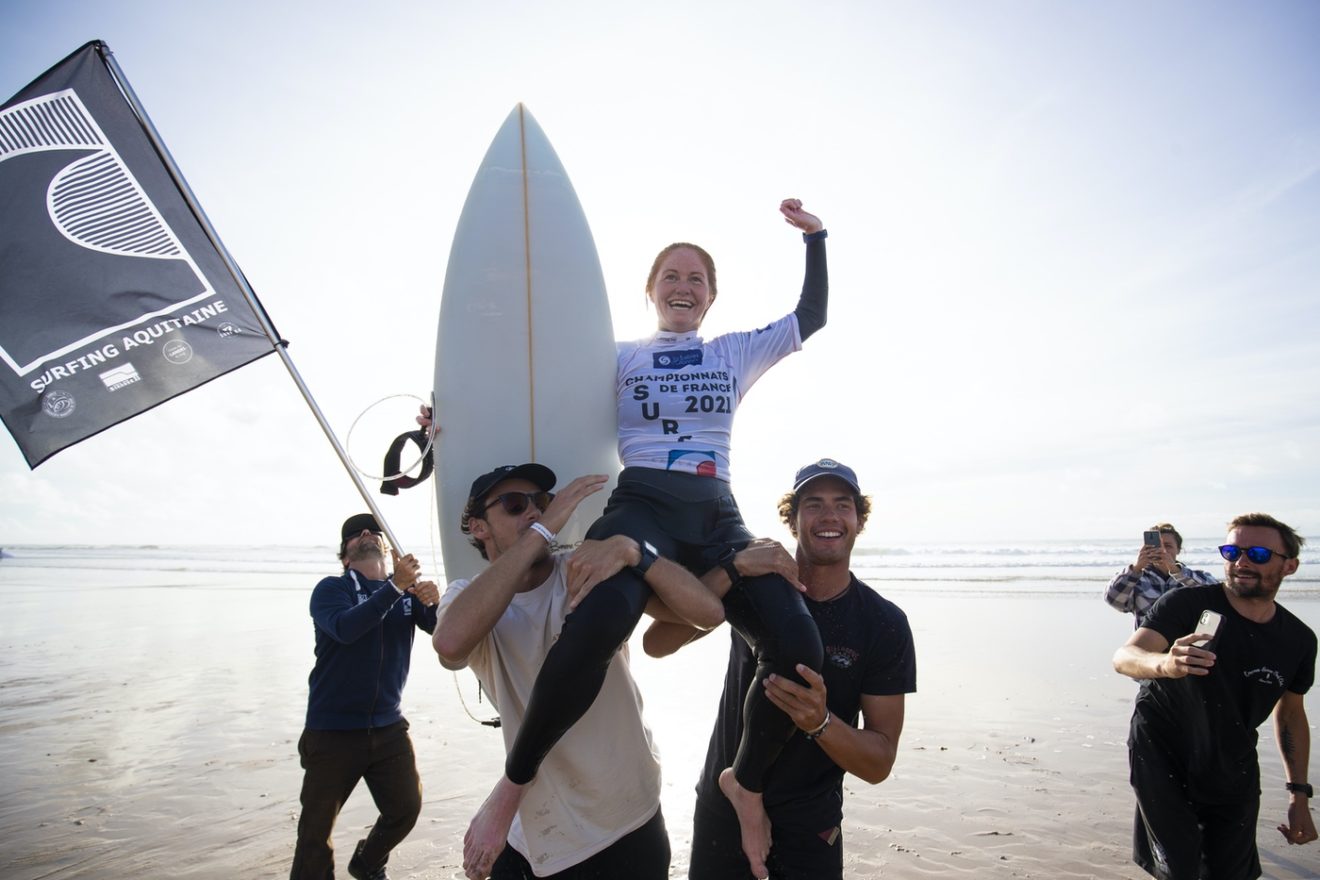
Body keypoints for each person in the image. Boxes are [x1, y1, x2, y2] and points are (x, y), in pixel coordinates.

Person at [459, 198, 831, 878]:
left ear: (712, 296)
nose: (683, 286)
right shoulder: (619, 356)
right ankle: (515, 782)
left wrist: (817, 239)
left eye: (696, 278)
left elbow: (812, 317)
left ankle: (743, 782)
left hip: (716, 515)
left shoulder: (733, 352)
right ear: (651, 291)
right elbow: (528, 390)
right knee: (595, 621)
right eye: (671, 276)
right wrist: (452, 418)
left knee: (799, 648)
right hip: (640, 508)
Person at [432, 463, 723, 879]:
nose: (533, 513)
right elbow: (449, 644)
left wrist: (636, 553)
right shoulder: (466, 596)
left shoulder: (584, 569)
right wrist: (543, 530)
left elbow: (701, 613)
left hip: (625, 817)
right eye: (515, 506)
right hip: (535, 826)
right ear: (479, 527)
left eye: (542, 503)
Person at [645, 459, 917, 879]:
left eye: (843, 505)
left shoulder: (883, 623)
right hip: (723, 812)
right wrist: (733, 570)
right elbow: (657, 643)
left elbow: (879, 761)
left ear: (859, 520)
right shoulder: (758, 589)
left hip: (809, 823)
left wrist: (821, 722)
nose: (829, 516)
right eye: (813, 505)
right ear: (791, 520)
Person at [1112, 512, 1316, 879]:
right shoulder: (1186, 605)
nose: (1240, 562)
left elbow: (1290, 715)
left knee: (1232, 872)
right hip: (1163, 754)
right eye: (1231, 551)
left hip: (1232, 762)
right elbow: (1126, 657)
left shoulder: (1298, 640)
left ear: (1290, 566)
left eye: (1257, 554)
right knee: (1181, 869)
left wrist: (1298, 795)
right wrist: (1167, 665)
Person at [290, 513, 440, 880]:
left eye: (373, 530)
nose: (366, 534)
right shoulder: (332, 590)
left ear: (386, 547)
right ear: (345, 556)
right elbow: (345, 628)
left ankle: (368, 861)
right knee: (315, 832)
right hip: (332, 730)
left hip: (388, 727)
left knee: (405, 808)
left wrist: (435, 602)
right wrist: (395, 588)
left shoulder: (407, 592)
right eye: (355, 535)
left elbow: (442, 632)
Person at [1105, 522, 1219, 626]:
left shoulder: (1192, 578)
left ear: (1178, 549)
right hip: (1146, 644)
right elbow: (1113, 599)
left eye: (1168, 546)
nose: (1163, 550)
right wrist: (1136, 568)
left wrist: (1176, 571)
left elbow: (1215, 596)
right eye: (1158, 546)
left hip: (1184, 645)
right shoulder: (1138, 580)